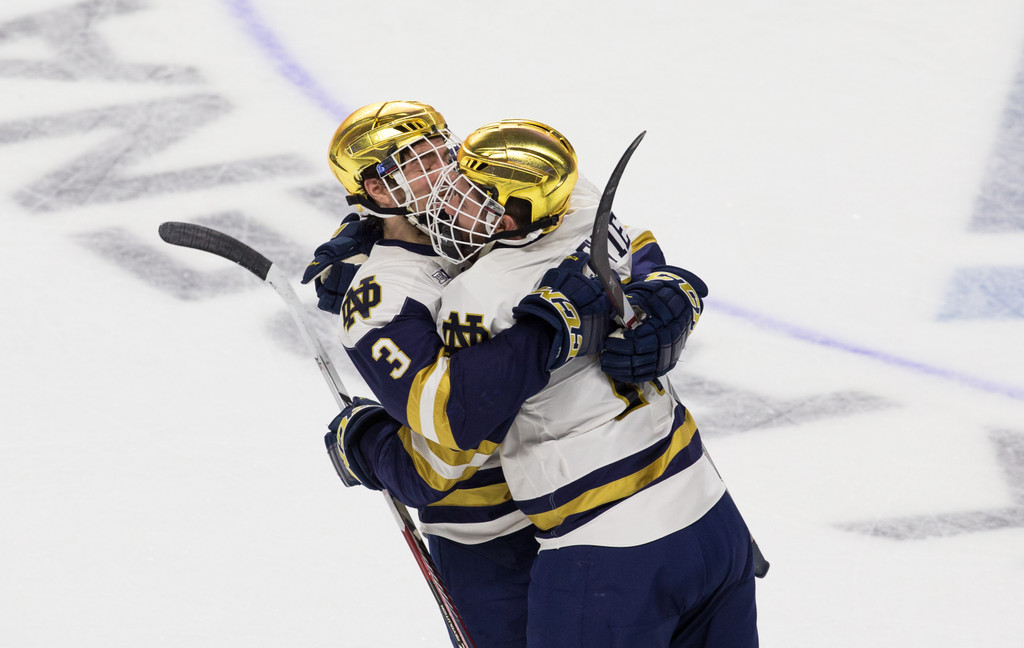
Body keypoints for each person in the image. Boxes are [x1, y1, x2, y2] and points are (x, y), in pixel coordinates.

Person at [404, 119, 758, 647]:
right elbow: (656, 270)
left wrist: (369, 443)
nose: (446, 204)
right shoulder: (594, 219)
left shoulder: (476, 295)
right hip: (712, 518)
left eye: (468, 194)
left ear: (509, 213)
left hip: (610, 554)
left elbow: (455, 436)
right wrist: (679, 291)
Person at [305, 101, 623, 648]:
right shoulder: (382, 294)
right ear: (378, 192)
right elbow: (449, 427)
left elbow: (621, 241)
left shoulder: (495, 202)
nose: (446, 166)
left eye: (440, 149)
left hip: (579, 502)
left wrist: (670, 287)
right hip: (485, 534)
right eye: (418, 163)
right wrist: (382, 450)